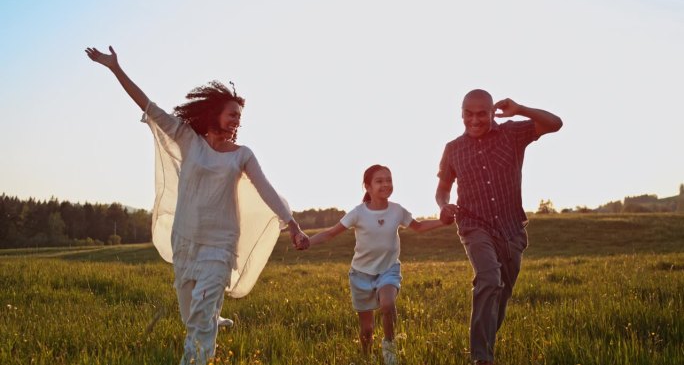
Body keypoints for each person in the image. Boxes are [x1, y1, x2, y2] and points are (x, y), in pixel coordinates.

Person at [86, 46, 308, 365]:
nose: (237, 121)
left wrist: (293, 225)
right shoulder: (187, 139)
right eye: (232, 113)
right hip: (186, 242)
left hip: (220, 246)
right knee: (191, 317)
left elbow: (267, 190)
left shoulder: (242, 154)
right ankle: (212, 318)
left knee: (198, 325)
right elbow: (147, 105)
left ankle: (198, 348)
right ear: (214, 113)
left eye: (240, 117)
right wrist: (115, 68)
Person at [435, 89, 563, 365]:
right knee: (489, 279)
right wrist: (443, 205)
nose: (475, 119)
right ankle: (481, 359)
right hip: (473, 225)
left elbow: (555, 123)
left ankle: (485, 344)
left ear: (492, 111)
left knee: (501, 295)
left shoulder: (512, 134)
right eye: (468, 113)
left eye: (482, 113)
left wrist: (521, 109)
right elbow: (443, 189)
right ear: (461, 113)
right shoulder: (453, 148)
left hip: (511, 228)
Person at [297, 164, 451, 365]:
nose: (386, 184)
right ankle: (366, 356)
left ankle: (389, 348)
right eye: (379, 181)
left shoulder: (397, 210)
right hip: (361, 275)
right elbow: (331, 233)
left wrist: (444, 221)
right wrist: (308, 241)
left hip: (388, 270)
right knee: (367, 329)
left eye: (389, 180)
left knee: (387, 304)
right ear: (367, 187)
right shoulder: (358, 213)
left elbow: (419, 227)